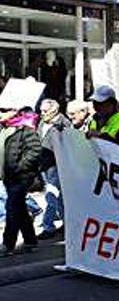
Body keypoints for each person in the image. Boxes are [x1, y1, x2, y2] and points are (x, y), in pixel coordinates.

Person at [1, 109, 42, 255]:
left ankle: (8, 244)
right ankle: (31, 241)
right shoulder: (7, 129)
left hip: (21, 177)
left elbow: (35, 151)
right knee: (20, 210)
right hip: (9, 178)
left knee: (12, 208)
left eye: (4, 111)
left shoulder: (27, 130)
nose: (1, 113)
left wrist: (20, 167)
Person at [36, 99, 70, 239]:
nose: (42, 114)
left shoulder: (63, 124)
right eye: (41, 111)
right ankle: (67, 223)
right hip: (44, 165)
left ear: (54, 111)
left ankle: (48, 226)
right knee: (58, 197)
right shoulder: (42, 123)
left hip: (56, 165)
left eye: (45, 111)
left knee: (51, 195)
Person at [86, 86, 119, 153]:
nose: (96, 107)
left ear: (112, 104)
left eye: (100, 103)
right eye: (94, 103)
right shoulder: (93, 120)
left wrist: (101, 136)